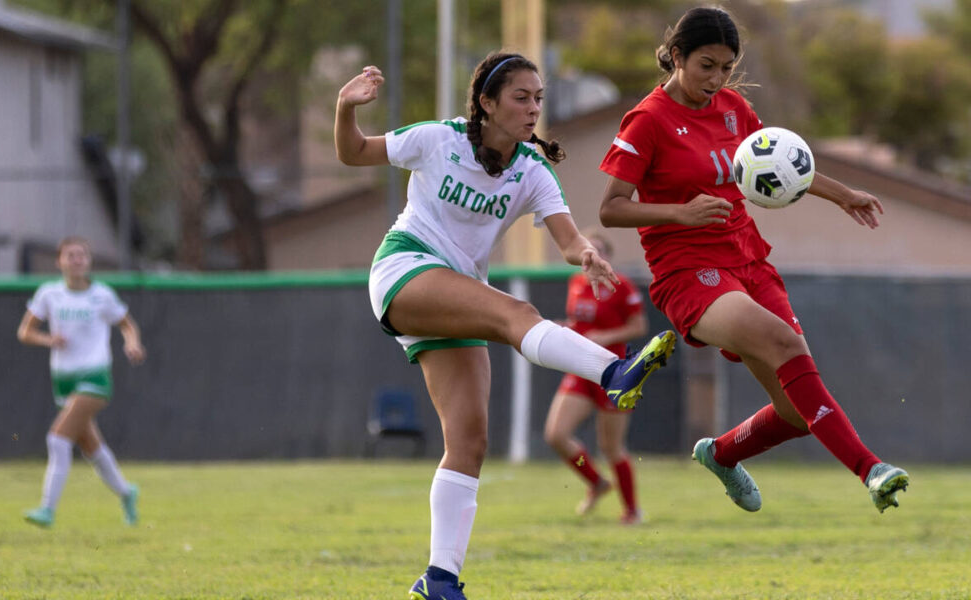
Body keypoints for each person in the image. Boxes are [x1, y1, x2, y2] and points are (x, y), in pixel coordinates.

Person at [335, 53, 677, 600]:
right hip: (405, 270)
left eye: (539, 98)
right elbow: (353, 152)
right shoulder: (437, 139)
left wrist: (587, 254)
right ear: (486, 103)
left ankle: (439, 580)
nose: (533, 107)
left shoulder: (532, 170)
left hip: (454, 299)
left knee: (470, 442)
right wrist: (344, 108)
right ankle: (613, 371)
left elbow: (568, 239)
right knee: (517, 315)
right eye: (521, 97)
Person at [597, 6, 908, 516]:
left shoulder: (733, 108)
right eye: (705, 65)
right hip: (688, 272)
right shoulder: (648, 120)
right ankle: (871, 470)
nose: (715, 79)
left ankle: (721, 455)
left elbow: (782, 165)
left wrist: (842, 194)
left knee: (796, 411)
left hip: (749, 258)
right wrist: (682, 213)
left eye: (725, 67)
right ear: (677, 56)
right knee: (786, 345)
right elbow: (610, 209)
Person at [17, 236, 146, 528]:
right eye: (70, 255)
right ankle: (127, 493)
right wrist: (48, 338)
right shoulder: (49, 294)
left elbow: (127, 323)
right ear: (59, 261)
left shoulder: (101, 295)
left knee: (57, 437)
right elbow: (25, 332)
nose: (76, 260)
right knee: (92, 448)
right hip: (64, 380)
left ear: (89, 261)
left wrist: (132, 343)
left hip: (95, 377)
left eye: (82, 256)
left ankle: (47, 510)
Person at [543, 230, 649, 525]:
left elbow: (639, 326)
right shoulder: (576, 282)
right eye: (588, 253)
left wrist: (605, 336)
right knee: (556, 434)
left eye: (599, 252)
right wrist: (563, 328)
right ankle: (596, 481)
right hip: (581, 367)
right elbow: (581, 323)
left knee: (611, 446)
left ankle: (632, 510)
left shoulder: (622, 285)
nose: (591, 258)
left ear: (608, 257)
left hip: (614, 371)